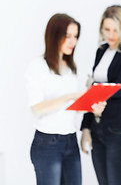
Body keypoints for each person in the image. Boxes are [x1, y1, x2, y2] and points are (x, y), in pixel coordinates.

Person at [25, 13, 106, 185]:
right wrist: (69, 96)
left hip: (70, 140)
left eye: (75, 36)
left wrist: (90, 107)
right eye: (67, 36)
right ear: (54, 36)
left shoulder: (70, 68)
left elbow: (70, 108)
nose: (72, 42)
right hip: (47, 143)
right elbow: (36, 108)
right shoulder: (38, 66)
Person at [80, 5, 121, 185]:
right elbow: (91, 94)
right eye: (107, 29)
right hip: (98, 128)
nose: (111, 35)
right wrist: (86, 127)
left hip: (120, 131)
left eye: (116, 30)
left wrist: (94, 88)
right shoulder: (102, 50)